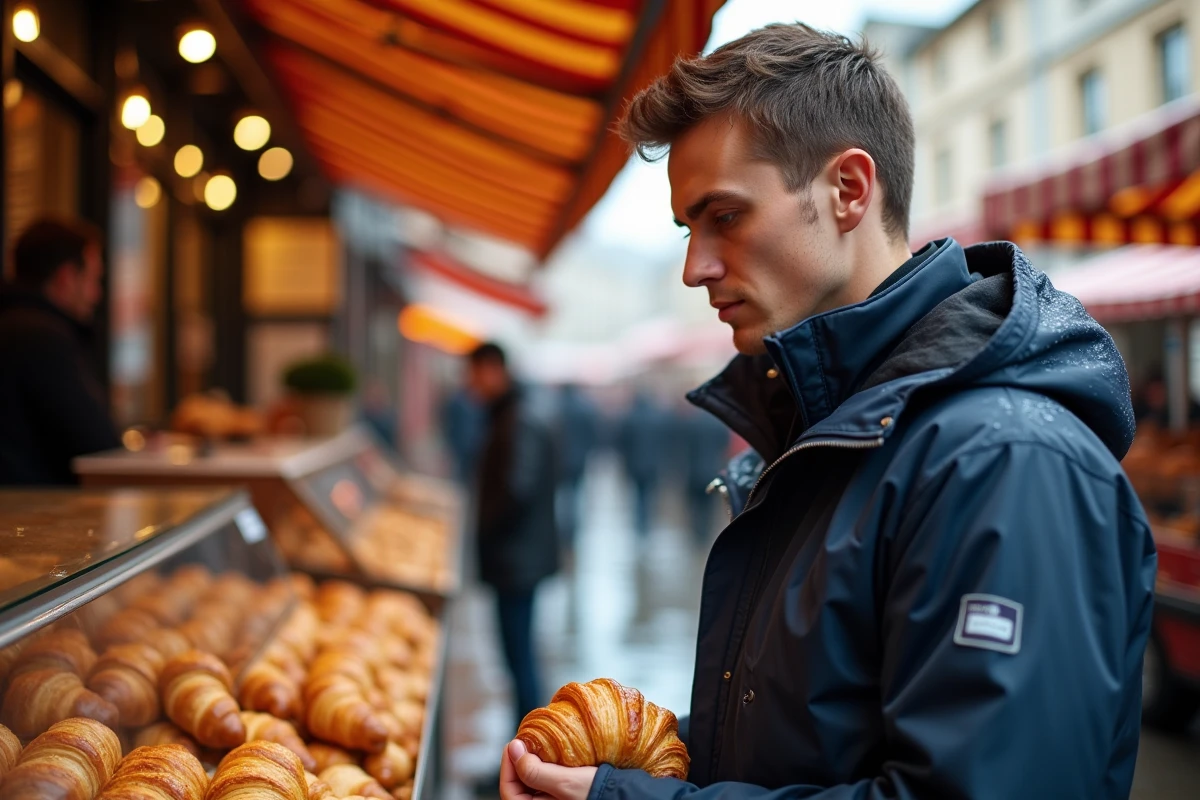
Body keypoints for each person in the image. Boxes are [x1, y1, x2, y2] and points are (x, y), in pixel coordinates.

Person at [500, 24, 1156, 800]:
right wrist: (651, 758)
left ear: (848, 190)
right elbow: (815, 742)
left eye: (726, 217)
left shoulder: (1002, 459)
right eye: (686, 229)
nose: (693, 268)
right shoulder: (825, 429)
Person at [467, 342, 559, 734]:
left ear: (491, 369)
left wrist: (485, 528)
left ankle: (528, 750)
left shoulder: (517, 418)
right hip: (519, 557)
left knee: (519, 658)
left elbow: (516, 490)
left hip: (515, 559)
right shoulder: (514, 413)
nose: (470, 385)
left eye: (473, 375)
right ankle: (525, 747)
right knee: (518, 655)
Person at [0, 216, 120, 484]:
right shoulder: (41, 338)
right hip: (30, 516)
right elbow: (98, 446)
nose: (96, 295)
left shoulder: (14, 326)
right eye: (92, 279)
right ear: (66, 278)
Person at [554, 383, 600, 555]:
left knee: (562, 496)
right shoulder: (584, 408)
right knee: (574, 495)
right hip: (578, 460)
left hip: (560, 460)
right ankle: (571, 529)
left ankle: (563, 528)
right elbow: (593, 434)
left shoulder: (557, 408)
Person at [616, 390, 666, 537]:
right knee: (648, 494)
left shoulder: (630, 417)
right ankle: (646, 522)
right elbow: (663, 443)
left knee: (638, 495)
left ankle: (640, 523)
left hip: (635, 464)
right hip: (652, 464)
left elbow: (622, 444)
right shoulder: (657, 418)